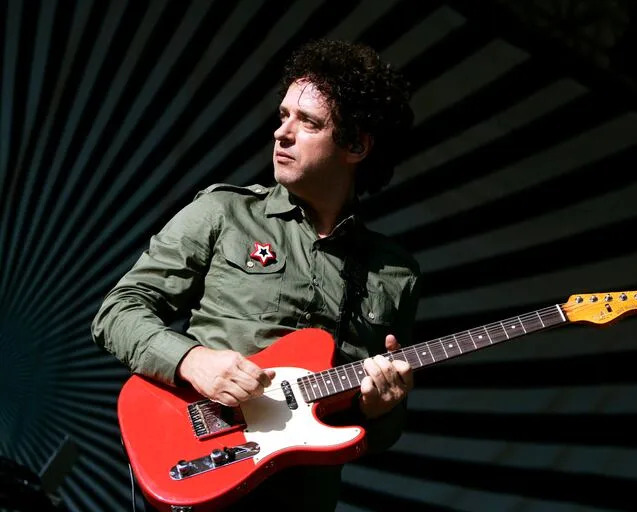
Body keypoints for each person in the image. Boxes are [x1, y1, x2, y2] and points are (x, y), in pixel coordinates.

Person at [91, 39, 420, 510]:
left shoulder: (396, 272)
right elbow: (117, 312)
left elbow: (381, 431)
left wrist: (380, 408)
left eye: (307, 123)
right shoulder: (224, 211)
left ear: (356, 145)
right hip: (200, 470)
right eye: (283, 115)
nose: (281, 134)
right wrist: (192, 361)